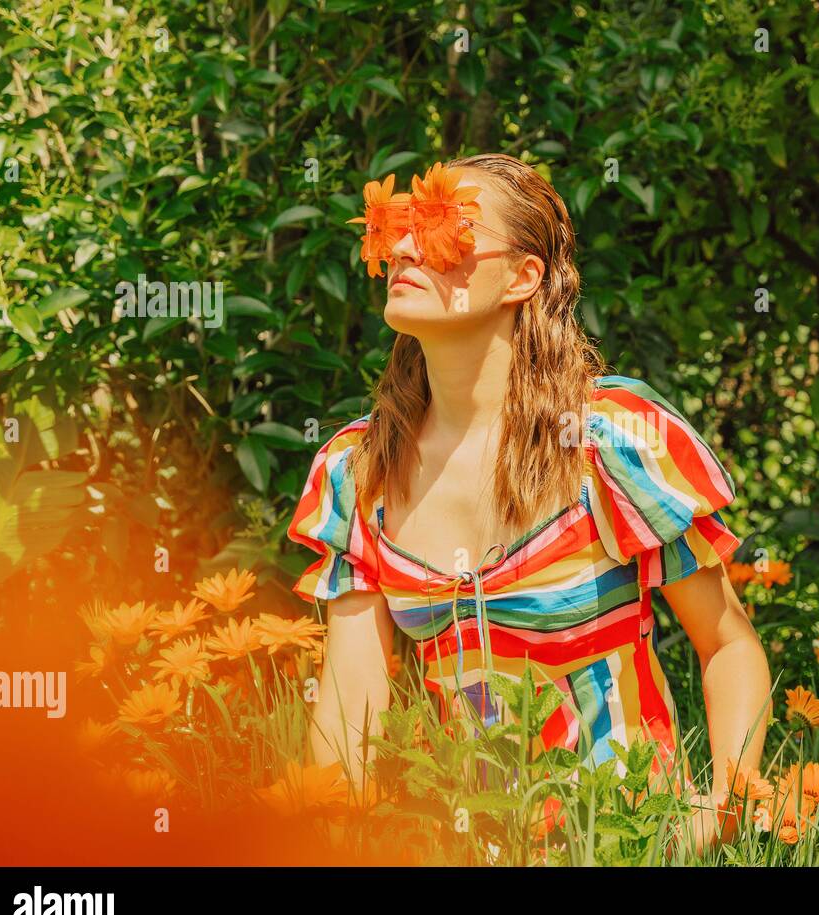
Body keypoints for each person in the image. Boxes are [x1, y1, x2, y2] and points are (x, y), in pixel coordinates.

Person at [287, 154, 771, 857]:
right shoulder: (357, 474)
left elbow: (728, 643)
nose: (401, 248)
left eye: (444, 228)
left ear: (523, 277)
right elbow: (349, 707)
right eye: (398, 225)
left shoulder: (608, 446)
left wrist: (724, 805)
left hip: (625, 839)